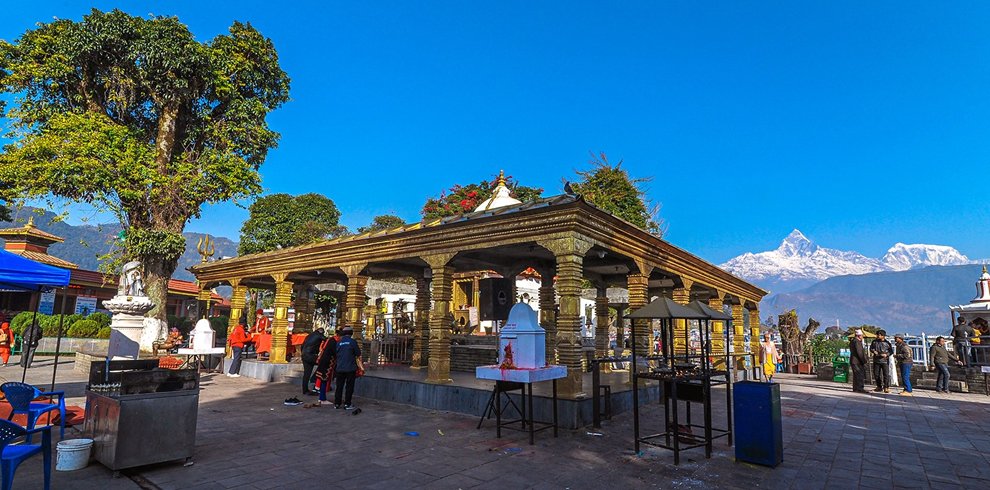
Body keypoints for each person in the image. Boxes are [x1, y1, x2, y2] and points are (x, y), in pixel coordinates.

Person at [332, 326, 362, 410]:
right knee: (349, 386)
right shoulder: (352, 342)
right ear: (351, 333)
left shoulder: (339, 342)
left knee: (339, 386)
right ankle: (347, 404)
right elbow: (358, 354)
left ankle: (337, 403)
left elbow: (336, 353)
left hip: (340, 368)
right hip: (350, 368)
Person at [314, 328, 341, 405]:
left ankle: (322, 397)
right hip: (327, 363)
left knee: (323, 380)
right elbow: (335, 352)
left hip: (324, 362)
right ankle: (322, 398)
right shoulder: (334, 341)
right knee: (324, 380)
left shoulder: (331, 340)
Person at [300, 327, 325, 395]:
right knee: (323, 363)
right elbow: (326, 339)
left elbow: (302, 346)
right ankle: (314, 378)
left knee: (306, 374)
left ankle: (305, 390)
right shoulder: (318, 335)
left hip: (304, 355)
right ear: (321, 332)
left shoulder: (309, 335)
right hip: (311, 355)